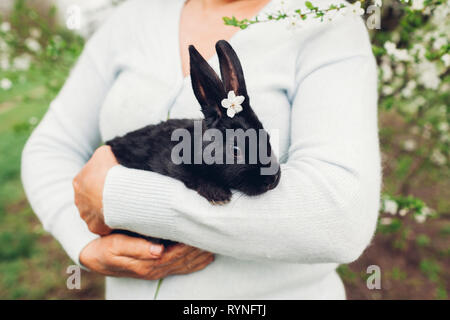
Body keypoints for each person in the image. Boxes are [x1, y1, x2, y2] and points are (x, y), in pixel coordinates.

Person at [21, 0, 381, 299]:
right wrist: (83, 239)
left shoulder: (323, 20)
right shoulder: (134, 16)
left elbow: (341, 214)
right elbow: (51, 146)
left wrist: (117, 198)